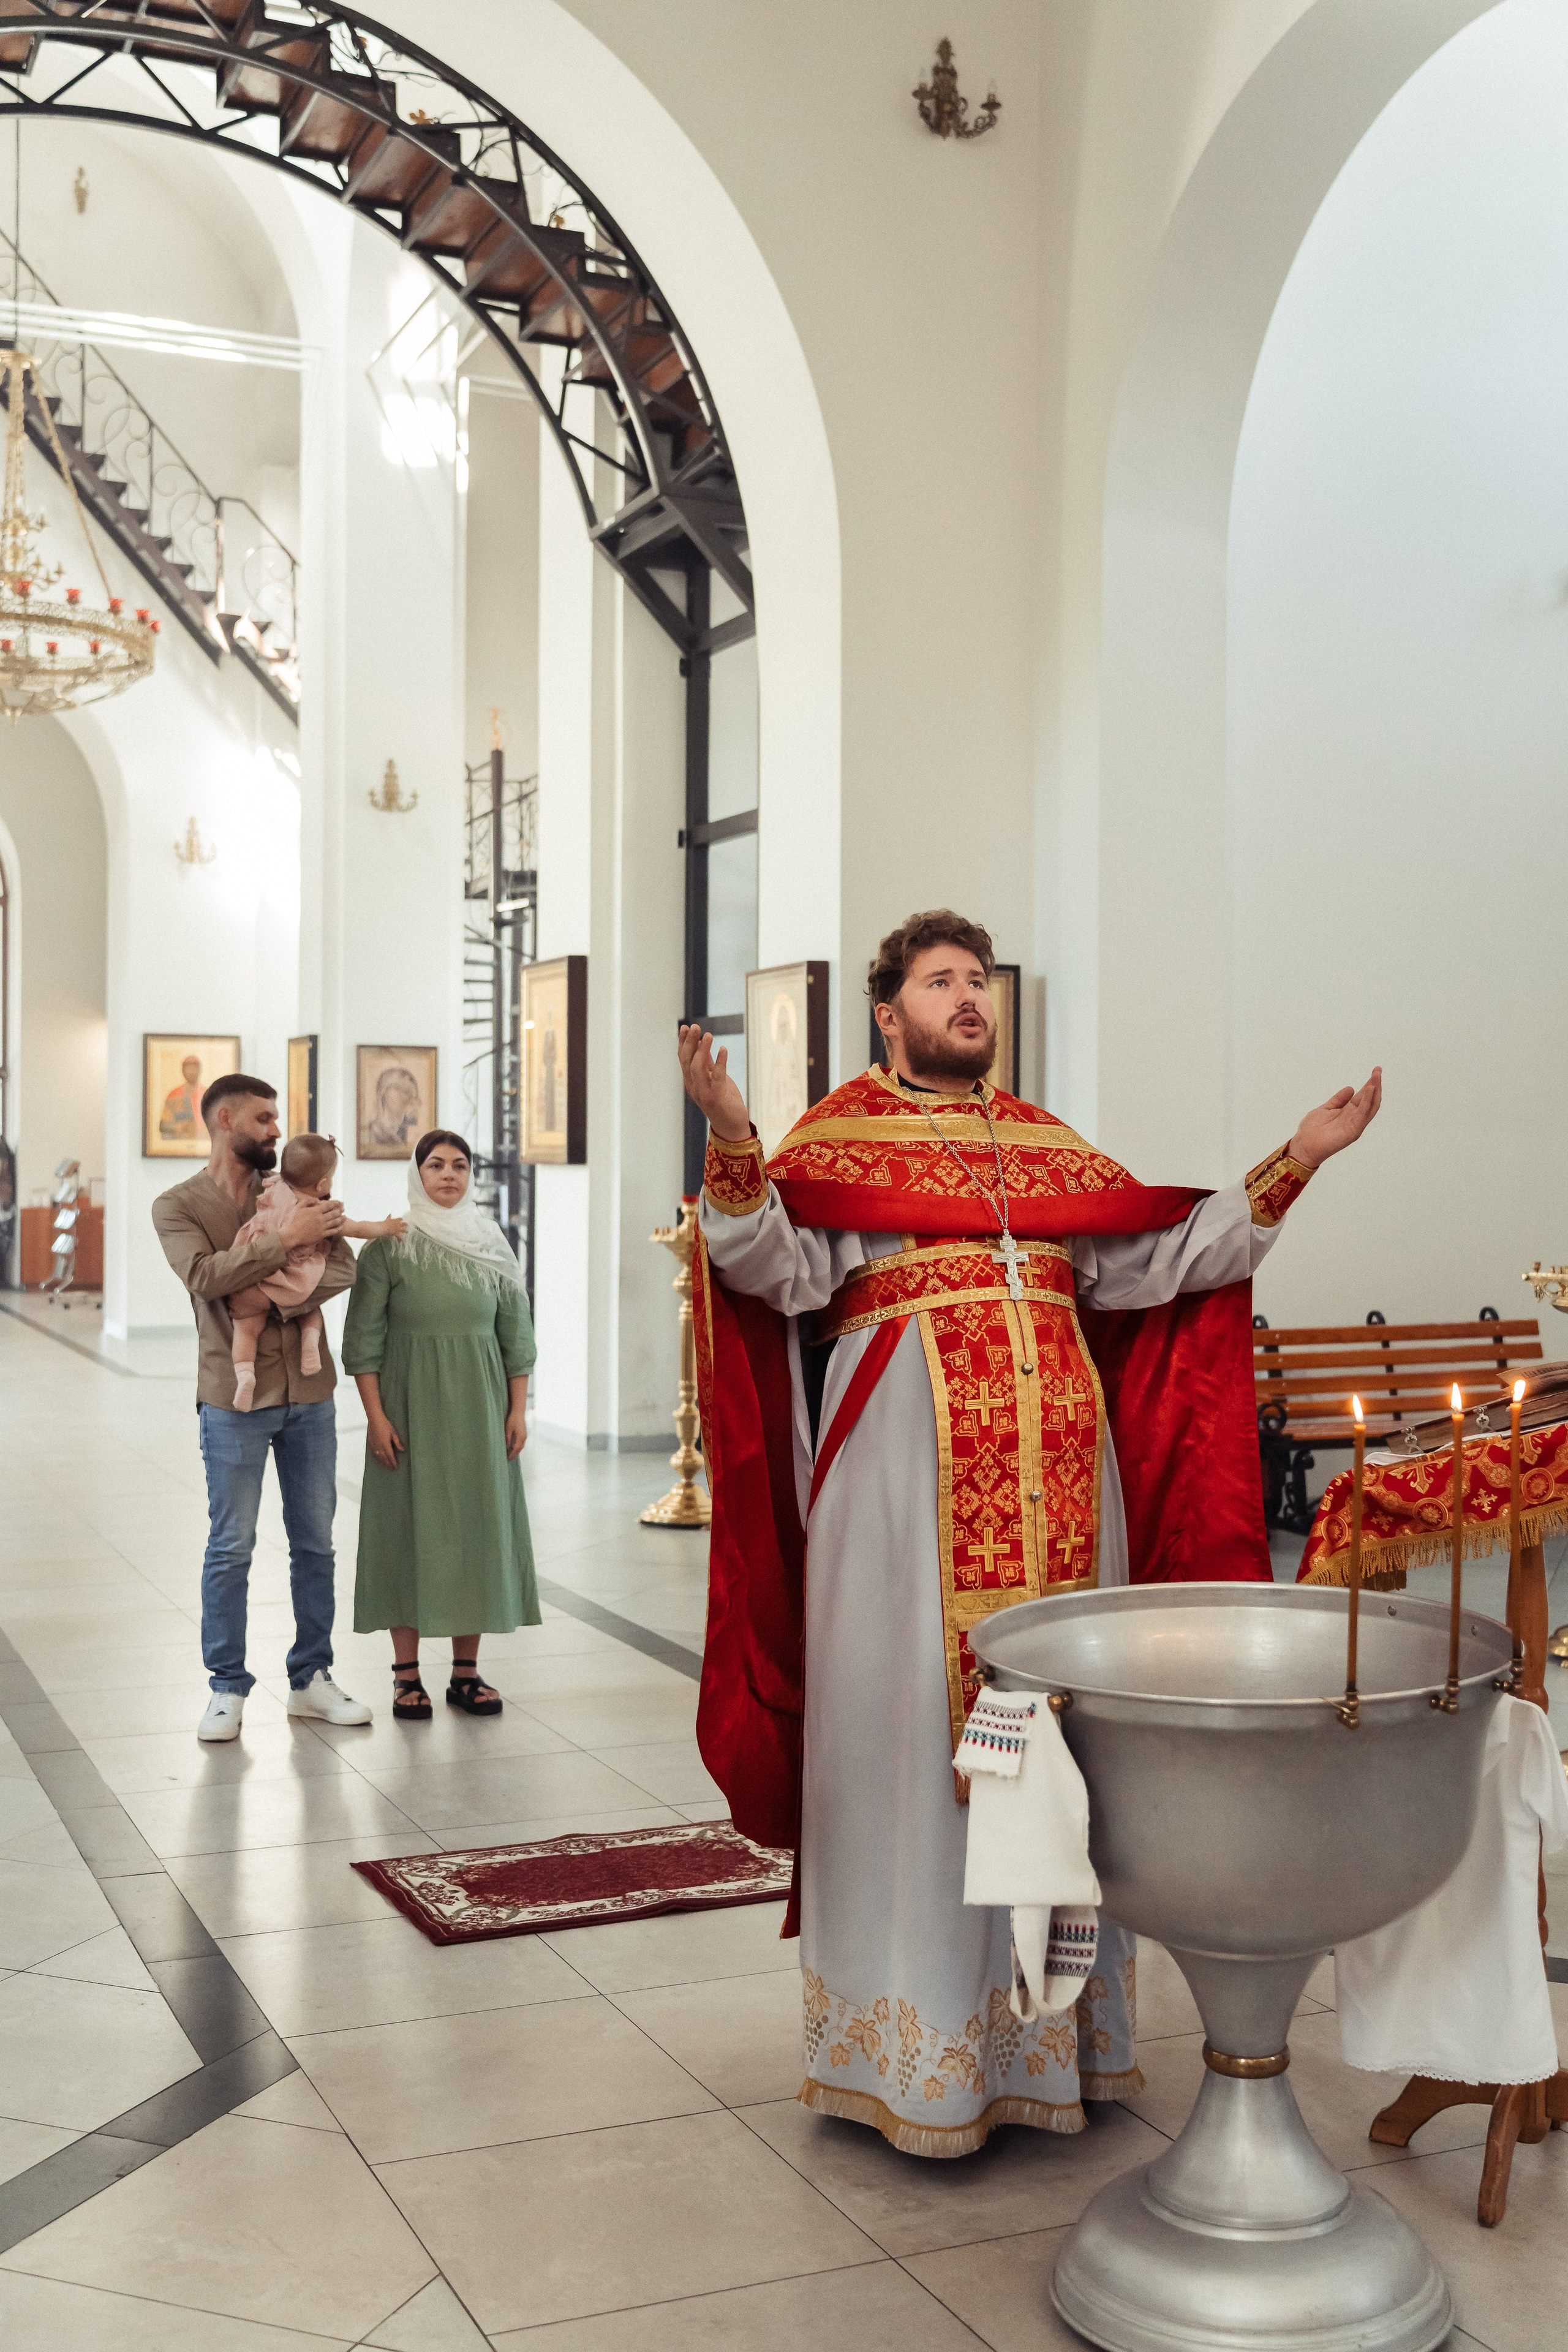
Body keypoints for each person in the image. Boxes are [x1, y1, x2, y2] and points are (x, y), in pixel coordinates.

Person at [680, 909, 1381, 2158]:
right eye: (939, 981)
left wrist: (1296, 1161)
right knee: (906, 1758)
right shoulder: (841, 1137)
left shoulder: (1045, 1147)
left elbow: (1156, 1264)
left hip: (1069, 1507)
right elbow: (768, 1270)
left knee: (1065, 1763)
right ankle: (923, 2065)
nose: (968, 999)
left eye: (977, 982)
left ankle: (1055, 2041)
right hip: (900, 1512)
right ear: (887, 1012)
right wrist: (735, 1137)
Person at [152, 1072, 374, 1743]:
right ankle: (226, 1687)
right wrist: (285, 1245)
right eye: (264, 1119)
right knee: (231, 1547)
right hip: (232, 1400)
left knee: (315, 1544)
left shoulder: (299, 1186)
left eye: (278, 1120)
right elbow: (204, 1278)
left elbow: (342, 1268)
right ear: (223, 1119)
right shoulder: (177, 1205)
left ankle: (311, 1678)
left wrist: (265, 1292)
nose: (277, 1131)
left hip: (310, 1396)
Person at [343, 1129, 539, 1720]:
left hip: (480, 1408)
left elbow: (517, 1335)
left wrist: (517, 1409)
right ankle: (406, 1677)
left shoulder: (491, 1245)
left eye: (458, 1165)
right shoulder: (388, 1248)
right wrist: (375, 1417)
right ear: (417, 1173)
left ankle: (465, 1674)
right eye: (436, 1165)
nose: (448, 1175)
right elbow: (363, 1342)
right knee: (405, 1528)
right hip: (407, 1408)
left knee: (475, 1530)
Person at [227, 1133, 404, 1410]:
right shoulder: (317, 1209)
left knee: (246, 1328)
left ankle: (245, 1375)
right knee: (308, 1304)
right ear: (322, 1184)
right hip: (295, 1272)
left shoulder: (273, 1191)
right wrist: (386, 1227)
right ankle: (310, 1342)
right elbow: (356, 1229)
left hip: (261, 1270)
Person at [159, 1053, 205, 1144]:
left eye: (194, 1068)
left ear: (200, 1070)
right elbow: (163, 1126)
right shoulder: (173, 1095)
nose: (192, 1072)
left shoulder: (207, 1094)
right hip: (177, 1144)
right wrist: (179, 1127)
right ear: (183, 1070)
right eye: (188, 1068)